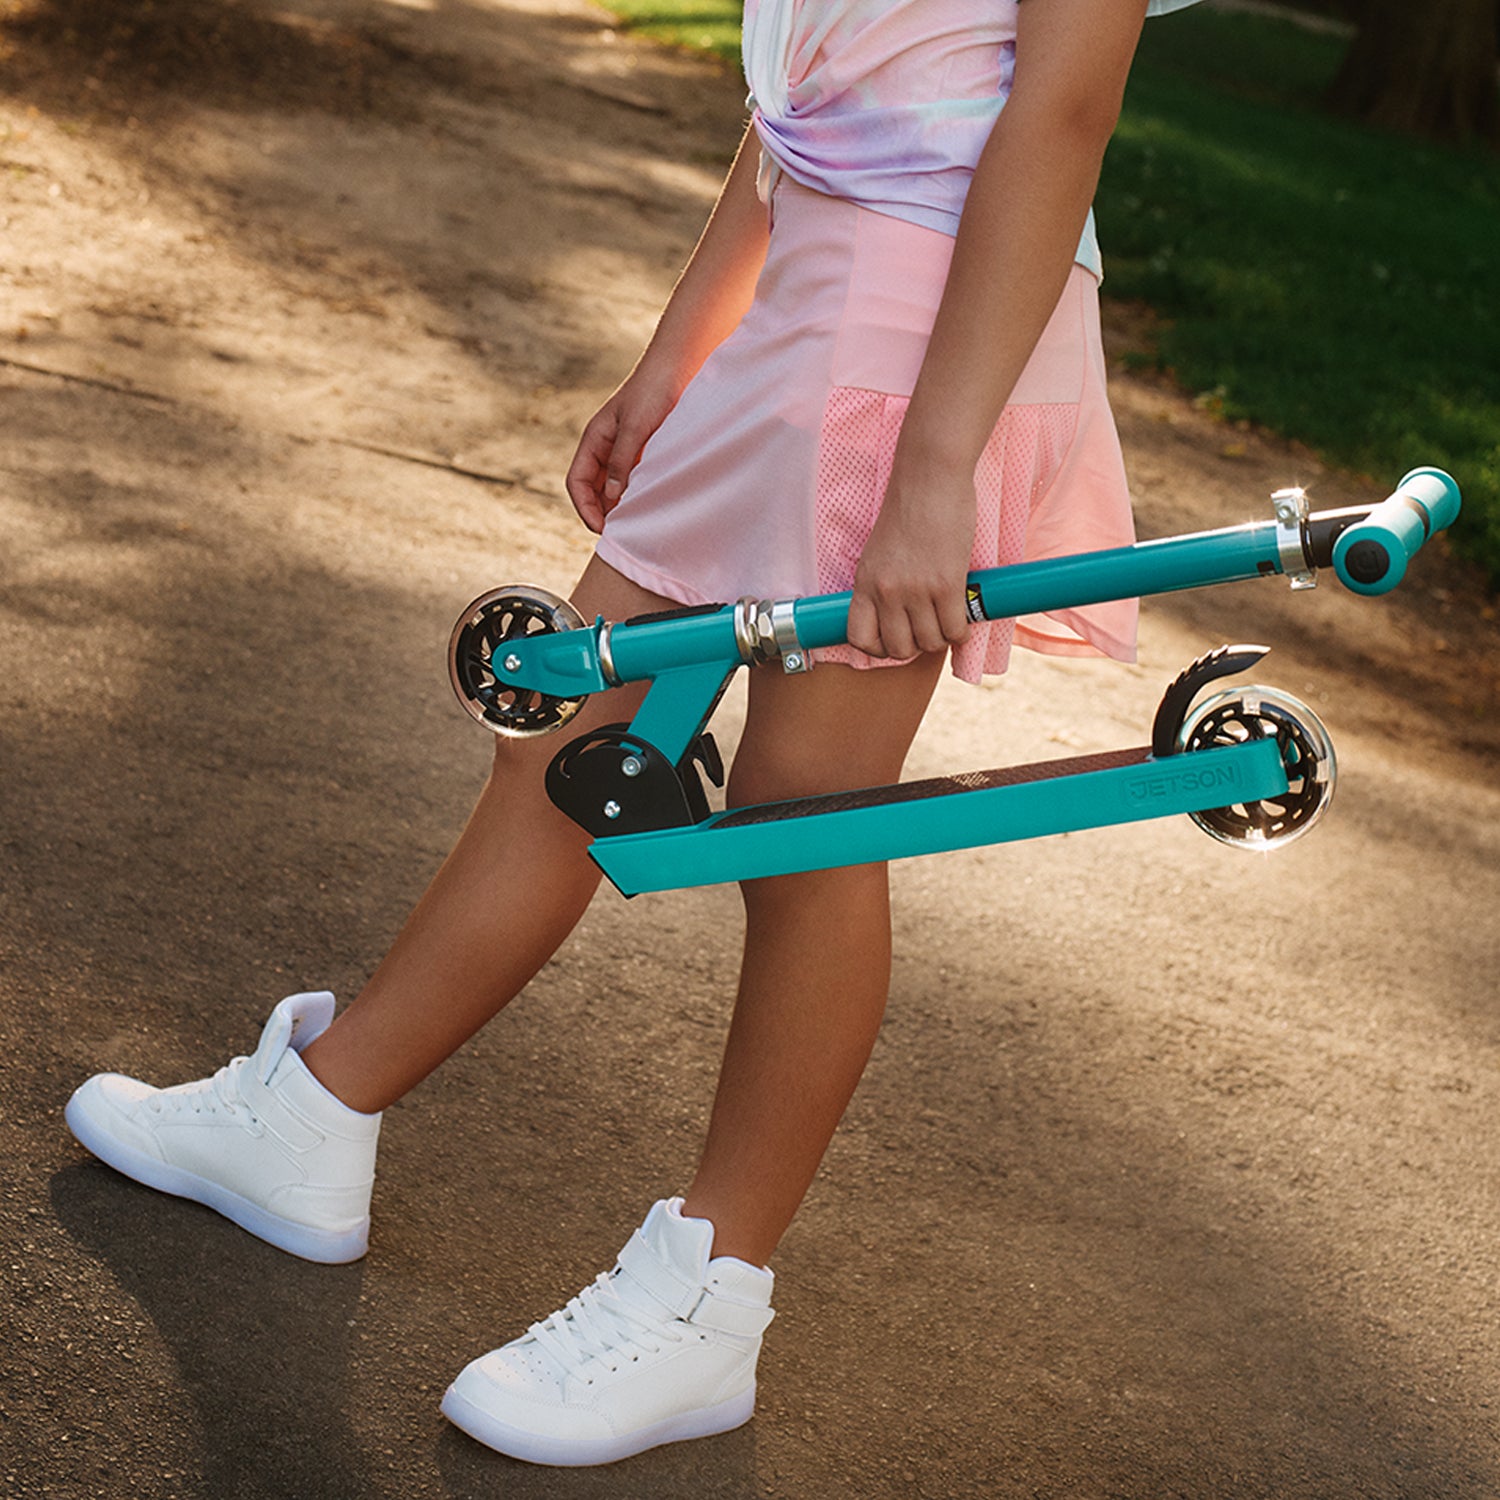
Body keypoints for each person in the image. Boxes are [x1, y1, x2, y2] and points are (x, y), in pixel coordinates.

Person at [64, 0, 1201, 1469]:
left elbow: (1058, 118)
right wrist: (685, 348)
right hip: (823, 314)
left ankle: (707, 1304)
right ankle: (319, 1114)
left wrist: (936, 465)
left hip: (921, 349)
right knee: (572, 733)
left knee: (808, 814)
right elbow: (804, 89)